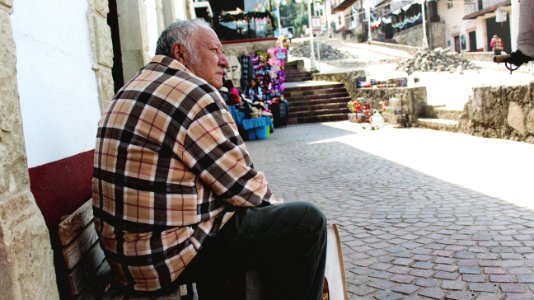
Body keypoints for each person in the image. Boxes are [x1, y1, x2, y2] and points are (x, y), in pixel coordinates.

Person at [92, 19, 327, 300]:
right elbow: (244, 187)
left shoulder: (132, 86)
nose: (224, 61)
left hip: (127, 257)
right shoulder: (193, 92)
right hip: (161, 260)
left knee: (227, 220)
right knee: (306, 222)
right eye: (215, 50)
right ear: (180, 54)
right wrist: (277, 206)